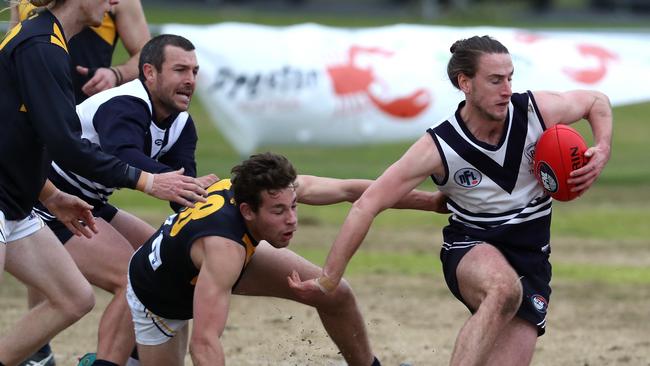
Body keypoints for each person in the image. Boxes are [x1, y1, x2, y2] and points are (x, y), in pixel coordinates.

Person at [289, 35, 613, 366]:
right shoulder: (440, 147)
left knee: (510, 303)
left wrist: (601, 148)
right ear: (465, 83)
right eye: (495, 80)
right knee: (503, 290)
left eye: (510, 78)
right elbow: (367, 204)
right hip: (471, 246)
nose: (507, 89)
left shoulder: (535, 112)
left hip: (532, 259)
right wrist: (329, 278)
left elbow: (596, 102)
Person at [0, 1, 206, 364]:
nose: (113, 3)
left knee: (76, 297)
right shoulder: (42, 46)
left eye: (194, 70)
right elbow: (64, 143)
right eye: (180, 69)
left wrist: (51, 195)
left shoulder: (50, 42)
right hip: (15, 196)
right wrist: (146, 181)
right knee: (135, 276)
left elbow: (26, 135)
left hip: (24, 199)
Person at [127, 152, 449, 366]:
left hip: (208, 259)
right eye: (279, 212)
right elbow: (205, 343)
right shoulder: (224, 249)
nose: (292, 219)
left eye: (294, 206)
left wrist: (431, 203)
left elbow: (354, 190)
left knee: (336, 294)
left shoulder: (269, 190)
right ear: (247, 211)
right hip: (158, 299)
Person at [10, 0, 151, 103]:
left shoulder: (124, 3)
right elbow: (11, 51)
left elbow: (148, 57)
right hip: (31, 109)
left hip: (85, 111)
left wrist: (117, 74)